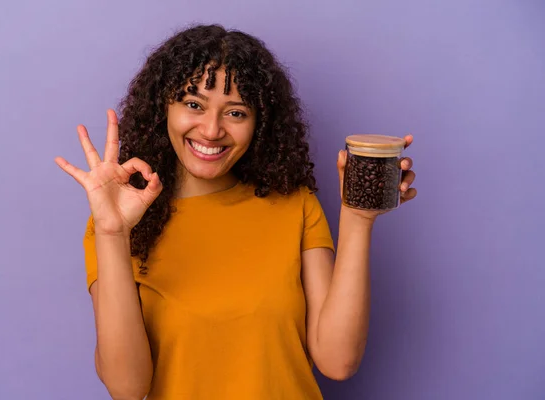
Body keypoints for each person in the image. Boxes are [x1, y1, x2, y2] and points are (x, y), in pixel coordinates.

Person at [55, 24, 417, 400]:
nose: (211, 130)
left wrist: (358, 217)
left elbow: (337, 361)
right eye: (194, 105)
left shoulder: (295, 205)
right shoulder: (117, 223)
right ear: (164, 106)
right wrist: (113, 234)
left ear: (260, 124)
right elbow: (126, 388)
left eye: (236, 113)